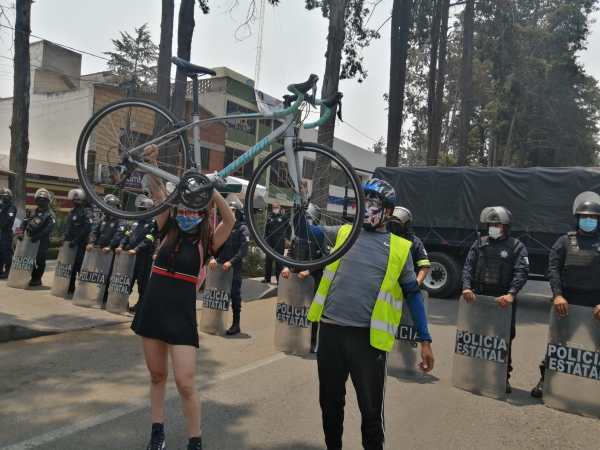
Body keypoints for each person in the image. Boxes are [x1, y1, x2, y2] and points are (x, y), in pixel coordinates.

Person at [307, 178, 434, 450]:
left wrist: (425, 339)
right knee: (329, 405)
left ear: (387, 210)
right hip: (330, 333)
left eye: (373, 202)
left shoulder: (400, 248)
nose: (366, 207)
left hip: (366, 341)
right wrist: (300, 209)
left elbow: (413, 294)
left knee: (371, 413)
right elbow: (310, 231)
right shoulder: (343, 232)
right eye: (363, 201)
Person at [132, 144, 234, 450]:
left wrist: (211, 190)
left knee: (186, 383)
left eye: (195, 209)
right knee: (157, 376)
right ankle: (157, 433)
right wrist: (150, 162)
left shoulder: (207, 240)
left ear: (203, 212)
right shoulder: (167, 227)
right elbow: (157, 194)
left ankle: (195, 440)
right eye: (185, 208)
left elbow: (229, 220)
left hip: (182, 315)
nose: (189, 213)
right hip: (153, 308)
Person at [530, 196, 600, 398]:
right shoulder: (564, 241)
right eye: (585, 217)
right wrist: (558, 295)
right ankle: (546, 380)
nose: (588, 220)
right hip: (567, 301)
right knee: (558, 344)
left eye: (593, 217)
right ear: (577, 219)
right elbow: (553, 268)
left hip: (595, 303)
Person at [461, 206, 529, 393]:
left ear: (506, 226)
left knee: (502, 340)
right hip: (480, 298)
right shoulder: (479, 243)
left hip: (502, 301)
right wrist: (466, 287)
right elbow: (468, 266)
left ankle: (501, 377)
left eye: (497, 224)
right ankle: (476, 374)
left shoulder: (516, 246)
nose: (494, 227)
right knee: (477, 337)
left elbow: (521, 272)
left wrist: (511, 294)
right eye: (491, 224)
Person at [281, 202, 325, 352]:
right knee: (294, 310)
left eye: (308, 217)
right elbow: (290, 253)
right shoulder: (298, 235)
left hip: (313, 280)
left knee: (312, 312)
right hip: (297, 279)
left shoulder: (320, 234)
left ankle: (312, 342)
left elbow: (324, 258)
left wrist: (309, 271)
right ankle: (293, 339)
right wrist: (286, 267)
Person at [208, 200, 249, 336]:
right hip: (220, 267)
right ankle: (216, 322)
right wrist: (212, 258)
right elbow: (213, 245)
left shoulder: (242, 228)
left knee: (235, 296)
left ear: (238, 212)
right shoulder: (222, 226)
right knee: (218, 295)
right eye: (229, 209)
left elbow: (243, 250)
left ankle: (236, 324)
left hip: (233, 268)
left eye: (233, 210)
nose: (230, 212)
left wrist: (231, 262)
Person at [116, 195, 157, 311]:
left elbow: (149, 239)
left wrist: (137, 249)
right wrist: (121, 245)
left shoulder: (153, 223)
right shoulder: (135, 222)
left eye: (143, 209)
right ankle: (122, 303)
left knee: (142, 283)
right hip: (130, 256)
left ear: (149, 210)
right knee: (127, 280)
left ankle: (140, 307)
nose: (140, 211)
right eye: (140, 209)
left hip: (144, 257)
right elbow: (127, 234)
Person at [86, 194, 127, 304]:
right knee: (101, 274)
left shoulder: (120, 220)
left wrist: (110, 246)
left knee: (109, 274)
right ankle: (101, 293)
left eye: (110, 206)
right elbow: (94, 231)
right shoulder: (103, 218)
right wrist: (91, 242)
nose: (108, 209)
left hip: (111, 252)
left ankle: (106, 297)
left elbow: (119, 234)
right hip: (100, 251)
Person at [19, 188, 56, 287]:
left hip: (42, 241)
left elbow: (48, 229)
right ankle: (27, 276)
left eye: (43, 199)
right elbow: (24, 222)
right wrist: (20, 233)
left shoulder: (50, 214)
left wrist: (37, 237)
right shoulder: (32, 212)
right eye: (39, 199)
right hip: (29, 240)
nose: (41, 201)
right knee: (28, 259)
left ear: (48, 201)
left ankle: (37, 278)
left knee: (40, 260)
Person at [388, 206, 431, 286]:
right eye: (392, 224)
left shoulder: (414, 242)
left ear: (406, 225)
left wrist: (415, 284)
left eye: (397, 224)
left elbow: (424, 266)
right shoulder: (384, 237)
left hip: (405, 284)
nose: (394, 227)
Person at [64, 189, 93, 296]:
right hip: (70, 244)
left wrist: (76, 241)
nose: (75, 201)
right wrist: (65, 238)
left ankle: (82, 290)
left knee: (81, 268)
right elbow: (68, 227)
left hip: (80, 244)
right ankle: (70, 287)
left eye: (78, 199)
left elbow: (87, 228)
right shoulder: (72, 211)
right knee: (70, 267)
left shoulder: (86, 212)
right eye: (74, 199)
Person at [263, 201, 289, 284]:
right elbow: (266, 229)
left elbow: (288, 229)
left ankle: (279, 281)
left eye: (276, 207)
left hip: (279, 241)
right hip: (270, 241)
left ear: (280, 207)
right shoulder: (270, 216)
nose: (275, 209)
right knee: (268, 260)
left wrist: (287, 239)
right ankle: (267, 279)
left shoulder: (284, 217)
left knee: (279, 261)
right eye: (274, 207)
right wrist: (265, 240)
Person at [0, 187, 17, 279]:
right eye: (2, 196)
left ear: (10, 197)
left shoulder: (11, 207)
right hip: (1, 232)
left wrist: (1, 225)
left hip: (6, 233)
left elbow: (9, 219)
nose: (3, 197)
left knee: (6, 252)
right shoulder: (1, 206)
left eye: (5, 196)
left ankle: (8, 271)